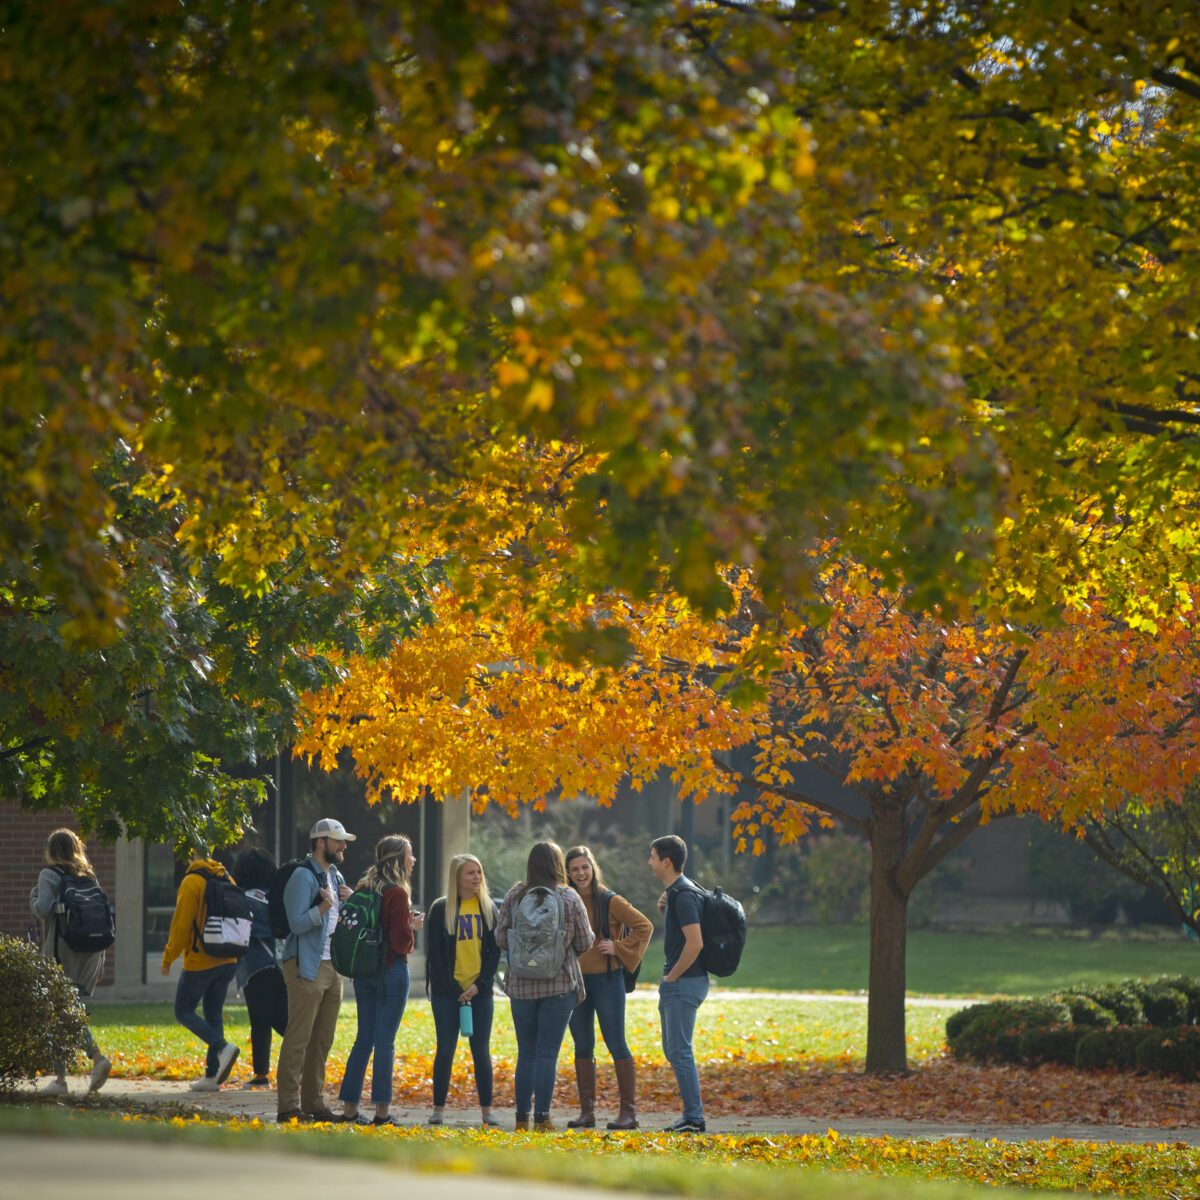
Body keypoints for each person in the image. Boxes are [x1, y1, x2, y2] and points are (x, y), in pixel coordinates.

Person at [495, 841, 594, 1130]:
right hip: (559, 983)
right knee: (547, 1052)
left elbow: (500, 938)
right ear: (558, 864)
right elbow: (585, 942)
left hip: (521, 986)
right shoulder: (568, 897)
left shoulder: (515, 895)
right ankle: (543, 1118)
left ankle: (521, 1119)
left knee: (525, 1052)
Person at [337, 834, 424, 1125]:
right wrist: (412, 927)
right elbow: (401, 944)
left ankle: (349, 1108)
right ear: (399, 859)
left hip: (365, 972)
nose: (414, 860)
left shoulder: (365, 887)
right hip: (392, 971)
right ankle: (382, 1112)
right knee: (385, 1042)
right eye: (410, 855)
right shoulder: (397, 894)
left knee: (363, 1039)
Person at [564, 845, 652, 1130]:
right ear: (568, 872)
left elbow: (644, 926)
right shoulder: (565, 899)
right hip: (576, 982)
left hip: (607, 981)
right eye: (575, 868)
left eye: (585, 867)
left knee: (616, 1043)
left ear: (593, 868)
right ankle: (587, 1113)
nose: (581, 873)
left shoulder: (609, 900)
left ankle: (629, 1113)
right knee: (583, 1045)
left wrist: (618, 947)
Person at [276, 816, 355, 1123]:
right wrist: (322, 908)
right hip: (305, 965)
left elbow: (337, 920)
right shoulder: (302, 877)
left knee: (323, 1038)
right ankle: (288, 1107)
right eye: (338, 841)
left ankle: (314, 1103)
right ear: (321, 843)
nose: (343, 845)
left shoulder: (334, 875)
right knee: (299, 1037)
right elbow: (295, 924)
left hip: (332, 966)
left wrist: (345, 902)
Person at [29, 829, 112, 1095]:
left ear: (51, 851)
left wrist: (34, 896)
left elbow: (42, 910)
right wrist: (102, 964)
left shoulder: (49, 875)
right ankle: (62, 1079)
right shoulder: (88, 876)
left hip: (62, 954)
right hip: (91, 953)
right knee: (66, 1010)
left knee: (60, 1012)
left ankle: (92, 1060)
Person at [426, 853, 501, 1127]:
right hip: (448, 993)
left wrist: (478, 986)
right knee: (445, 1050)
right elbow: (434, 955)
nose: (476, 878)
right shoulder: (440, 909)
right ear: (457, 877)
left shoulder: (489, 908)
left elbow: (494, 953)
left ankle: (487, 1111)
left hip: (479, 992)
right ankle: (438, 1110)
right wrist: (454, 988)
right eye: (470, 873)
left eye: (479, 872)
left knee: (480, 1050)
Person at [161, 851, 242, 1092]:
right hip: (228, 958)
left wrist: (168, 957)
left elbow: (181, 926)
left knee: (183, 1011)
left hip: (201, 961)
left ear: (189, 856)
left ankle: (222, 1046)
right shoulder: (227, 878)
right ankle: (211, 1075)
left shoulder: (191, 881)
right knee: (213, 1015)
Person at [649, 834, 708, 1133]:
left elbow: (694, 943)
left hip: (684, 983)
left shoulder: (683, 895)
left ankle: (694, 1118)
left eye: (653, 857)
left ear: (666, 861)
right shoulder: (678, 894)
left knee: (680, 1051)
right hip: (681, 982)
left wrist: (673, 977)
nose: (650, 862)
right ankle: (691, 1115)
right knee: (673, 1051)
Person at [233, 847, 288, 1088]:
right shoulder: (276, 896)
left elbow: (244, 933)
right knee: (282, 1016)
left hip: (257, 966)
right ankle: (304, 1057)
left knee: (261, 1020)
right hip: (283, 964)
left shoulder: (244, 899)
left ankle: (261, 1075)